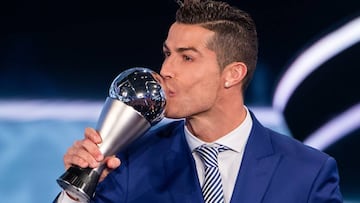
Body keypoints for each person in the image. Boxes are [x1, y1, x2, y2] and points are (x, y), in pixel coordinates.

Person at [54, 0, 343, 202]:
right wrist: (77, 190)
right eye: (168, 54)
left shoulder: (308, 172)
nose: (166, 70)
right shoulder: (129, 163)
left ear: (232, 74)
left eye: (187, 57)